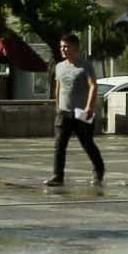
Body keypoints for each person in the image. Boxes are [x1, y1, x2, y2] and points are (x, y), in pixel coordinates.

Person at [46, 41, 104, 188]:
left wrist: (89, 107)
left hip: (81, 113)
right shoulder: (59, 67)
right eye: (61, 46)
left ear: (75, 48)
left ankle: (99, 170)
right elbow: (58, 87)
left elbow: (93, 86)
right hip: (63, 112)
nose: (63, 49)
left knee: (87, 143)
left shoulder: (85, 65)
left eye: (66, 46)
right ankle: (57, 176)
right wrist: (58, 105)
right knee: (59, 145)